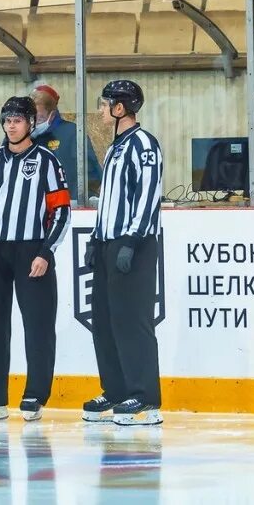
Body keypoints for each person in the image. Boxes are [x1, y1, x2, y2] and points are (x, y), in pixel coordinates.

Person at [0, 97, 71, 422]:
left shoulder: (47, 161)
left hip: (31, 250)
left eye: (18, 120)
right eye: (7, 120)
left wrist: (46, 252)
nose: (12, 125)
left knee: (37, 324)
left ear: (30, 124)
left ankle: (35, 394)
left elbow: (62, 211)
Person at [83, 79, 165, 427]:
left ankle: (145, 396)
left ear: (120, 108)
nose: (101, 110)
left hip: (134, 243)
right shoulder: (116, 146)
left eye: (105, 104)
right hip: (108, 243)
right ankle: (116, 390)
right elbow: (110, 200)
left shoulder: (144, 145)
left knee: (133, 321)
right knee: (103, 321)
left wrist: (131, 241)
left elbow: (148, 196)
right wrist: (95, 239)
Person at [29, 84, 102, 198]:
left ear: (52, 115)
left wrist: (79, 201)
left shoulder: (72, 132)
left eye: (39, 117)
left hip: (67, 204)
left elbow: (91, 174)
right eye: (30, 117)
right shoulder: (24, 136)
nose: (34, 121)